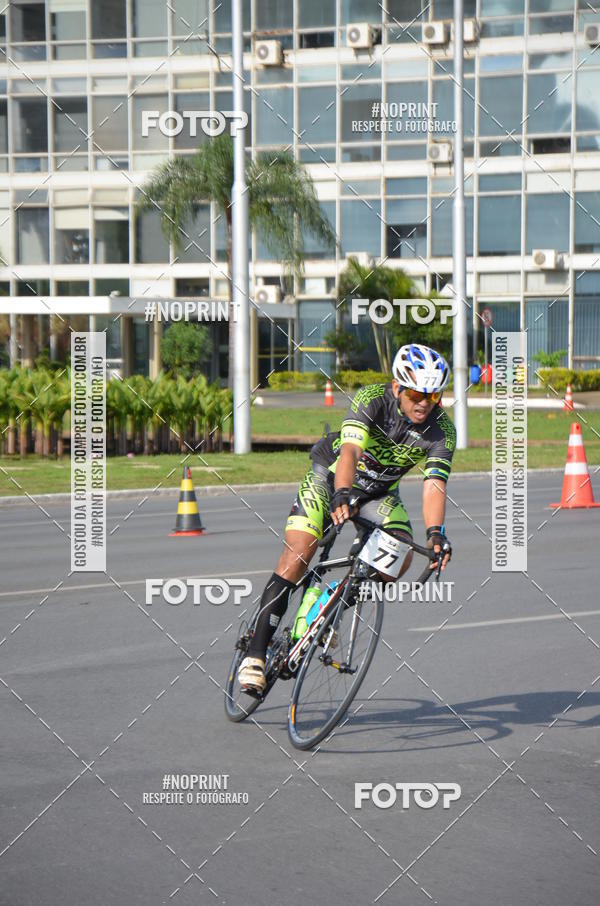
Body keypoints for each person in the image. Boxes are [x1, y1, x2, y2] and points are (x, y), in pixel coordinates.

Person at [238, 343, 456, 693]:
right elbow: (351, 451)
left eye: (433, 396)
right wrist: (341, 493)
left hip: (379, 494)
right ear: (399, 387)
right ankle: (255, 654)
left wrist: (435, 533)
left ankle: (329, 606)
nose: (424, 403)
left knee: (397, 558)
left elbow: (434, 485)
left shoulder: (442, 430)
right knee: (297, 556)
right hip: (333, 477)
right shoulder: (372, 398)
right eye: (416, 393)